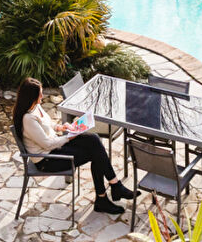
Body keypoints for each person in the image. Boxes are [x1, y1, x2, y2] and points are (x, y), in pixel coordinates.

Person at [13, 77, 135, 216]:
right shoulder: (27, 118)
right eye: (39, 94)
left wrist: (62, 126)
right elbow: (46, 144)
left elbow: (48, 124)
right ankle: (109, 192)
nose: (42, 96)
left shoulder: (35, 106)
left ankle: (111, 189)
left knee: (93, 139)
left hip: (55, 147)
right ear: (31, 97)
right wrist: (69, 136)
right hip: (47, 160)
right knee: (95, 153)